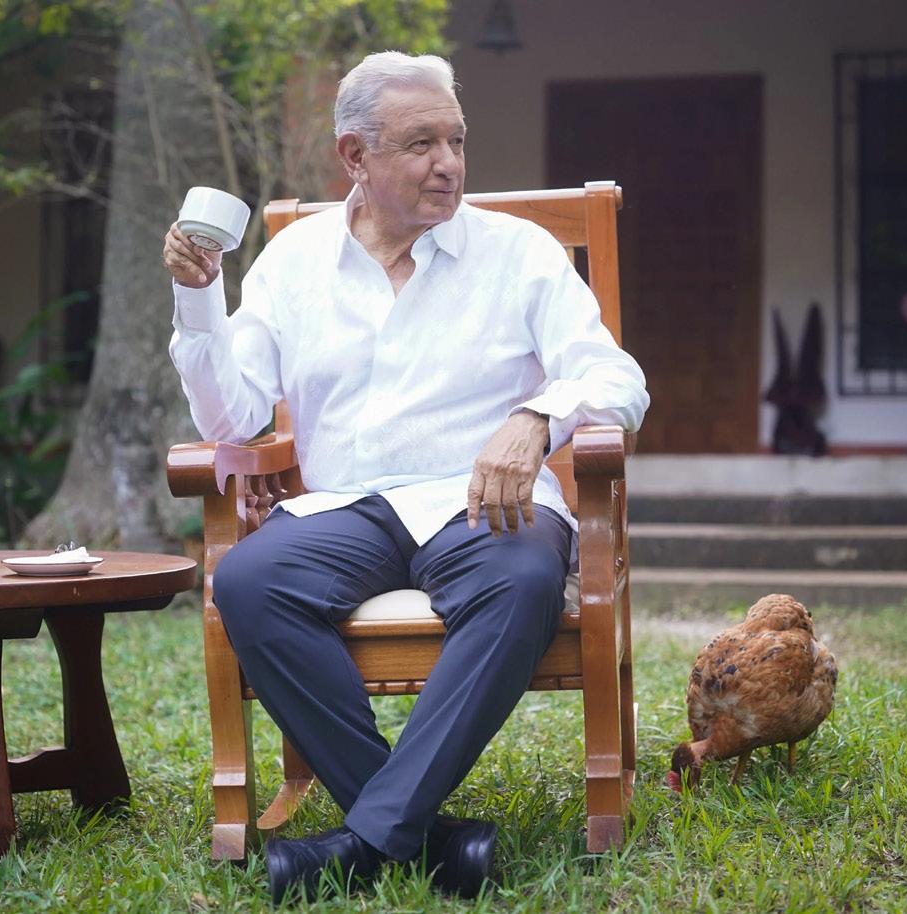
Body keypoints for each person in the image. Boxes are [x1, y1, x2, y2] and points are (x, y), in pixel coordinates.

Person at [162, 51, 648, 903]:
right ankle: (421, 840)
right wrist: (199, 301)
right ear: (355, 156)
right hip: (344, 507)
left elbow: (617, 378)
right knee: (247, 580)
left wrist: (536, 419)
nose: (448, 163)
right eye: (422, 144)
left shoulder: (517, 252)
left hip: (481, 503)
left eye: (455, 140)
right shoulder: (294, 261)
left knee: (522, 580)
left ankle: (365, 842)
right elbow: (230, 422)